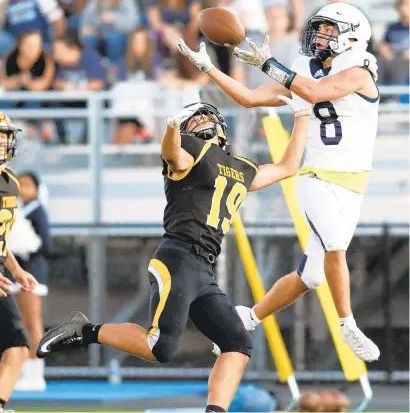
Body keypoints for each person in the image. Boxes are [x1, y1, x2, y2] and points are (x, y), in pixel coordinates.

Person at [37, 99, 310, 413]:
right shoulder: (189, 151)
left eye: (205, 118)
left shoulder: (240, 167)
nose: (200, 122)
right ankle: (83, 331)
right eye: (192, 121)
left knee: (237, 342)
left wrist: (302, 114)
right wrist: (169, 127)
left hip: (204, 267)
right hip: (178, 258)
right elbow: (172, 154)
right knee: (161, 347)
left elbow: (288, 166)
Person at [177, 2, 380, 362]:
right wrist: (209, 69)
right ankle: (347, 324)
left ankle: (249, 315)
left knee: (313, 276)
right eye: (320, 28)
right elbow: (250, 98)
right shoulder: (303, 73)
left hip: (353, 185)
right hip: (316, 178)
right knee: (335, 245)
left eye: (330, 30)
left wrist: (268, 65)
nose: (320, 36)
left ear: (351, 37)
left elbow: (317, 93)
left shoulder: (359, 71)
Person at [0, 112, 38, 412]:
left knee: (17, 348)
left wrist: (16, 269)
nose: (3, 140)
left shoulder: (10, 183)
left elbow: (2, 239)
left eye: (5, 134)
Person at [7, 172, 51, 391]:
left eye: (27, 185)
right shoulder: (21, 211)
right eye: (19, 185)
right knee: (22, 323)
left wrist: (26, 248)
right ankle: (25, 370)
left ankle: (36, 372)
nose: (23, 190)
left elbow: (45, 245)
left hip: (32, 272)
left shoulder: (37, 212)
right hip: (19, 272)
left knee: (32, 322)